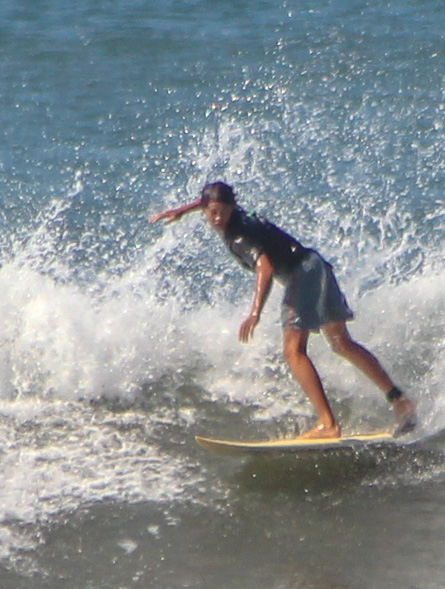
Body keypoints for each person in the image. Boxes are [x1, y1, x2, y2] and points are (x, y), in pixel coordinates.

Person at [151, 182, 416, 440]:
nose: (217, 218)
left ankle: (327, 424)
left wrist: (255, 313)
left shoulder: (239, 236)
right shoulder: (233, 214)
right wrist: (183, 210)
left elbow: (264, 268)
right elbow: (209, 200)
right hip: (316, 264)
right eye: (211, 212)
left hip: (301, 274)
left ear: (233, 208)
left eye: (222, 212)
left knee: (293, 351)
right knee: (341, 343)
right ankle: (400, 401)